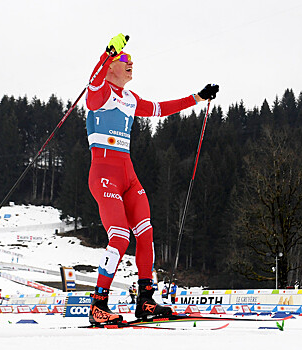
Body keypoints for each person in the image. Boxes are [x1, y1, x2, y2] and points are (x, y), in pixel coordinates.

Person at [87, 33, 219, 325]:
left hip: (128, 175)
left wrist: (197, 97)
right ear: (111, 66)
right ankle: (98, 304)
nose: (131, 63)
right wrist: (107, 52)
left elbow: (160, 109)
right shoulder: (101, 94)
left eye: (132, 60)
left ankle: (145, 300)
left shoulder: (131, 99)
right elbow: (93, 83)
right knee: (120, 237)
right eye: (125, 60)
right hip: (104, 176)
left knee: (145, 234)